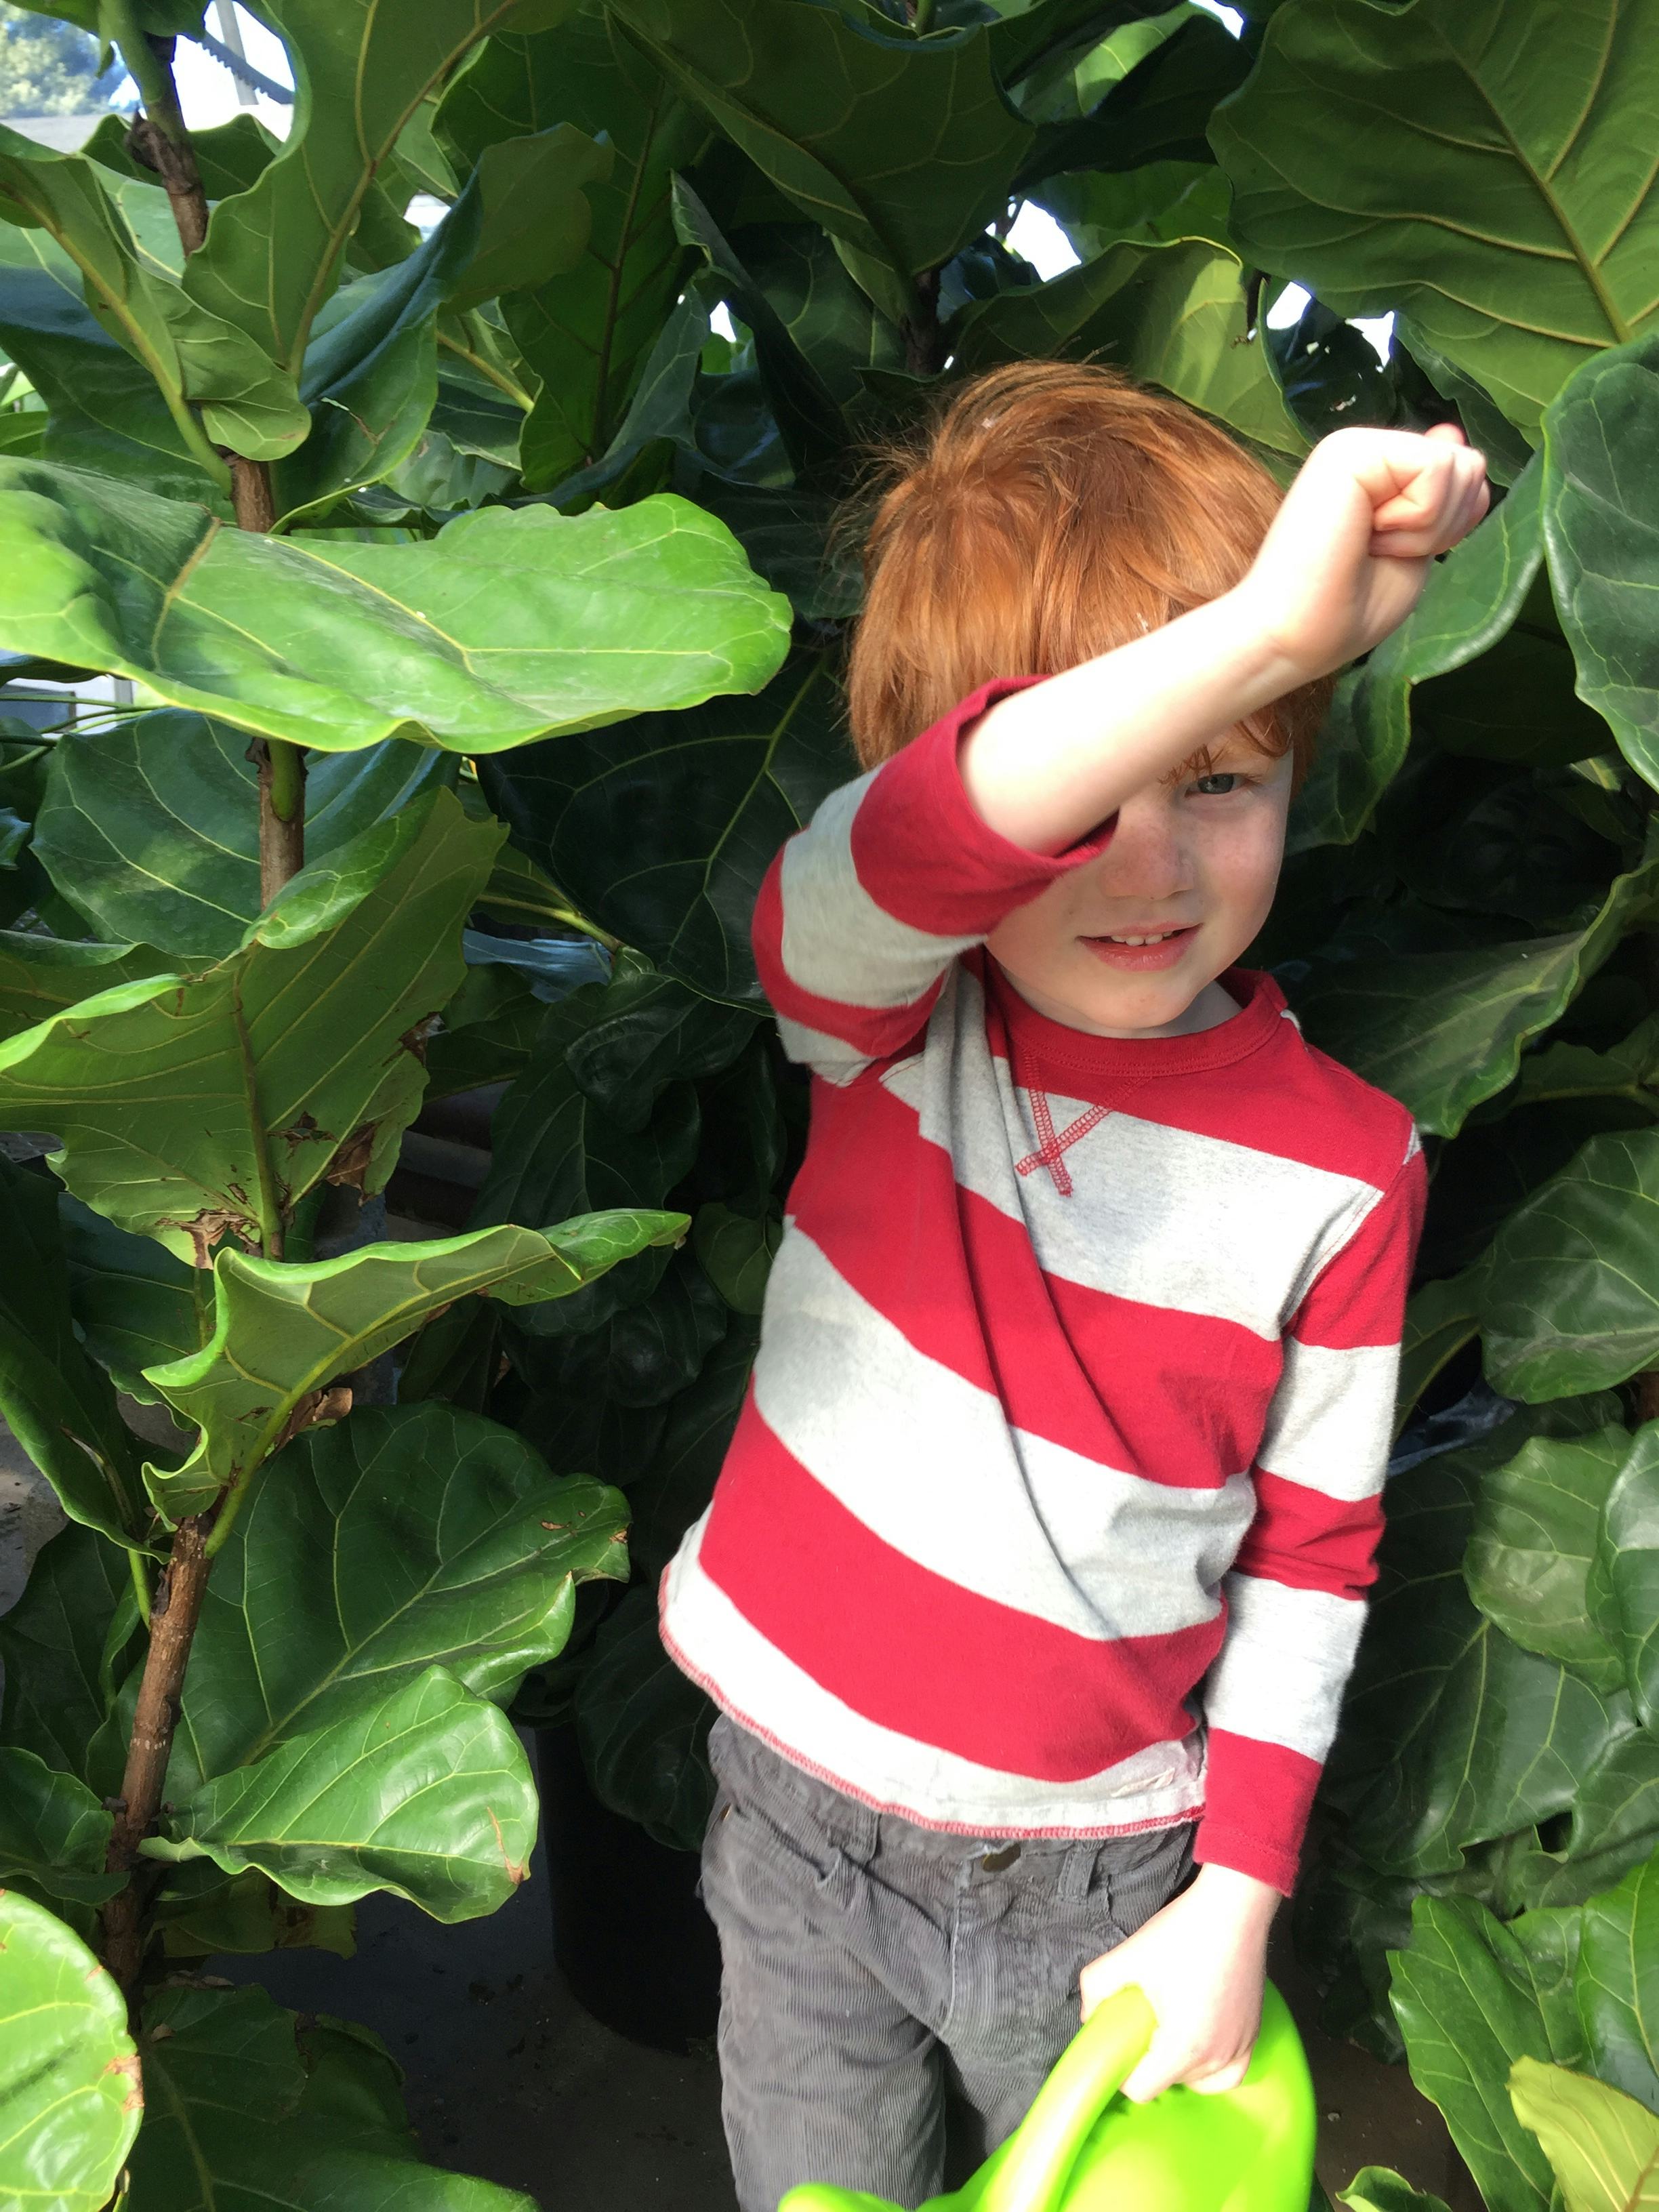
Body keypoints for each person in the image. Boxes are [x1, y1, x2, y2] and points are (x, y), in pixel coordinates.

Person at [659, 361, 1489, 2211]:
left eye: (1220, 780)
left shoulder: (1347, 1168)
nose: (1146, 856)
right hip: (792, 1819)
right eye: (1097, 777)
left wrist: (1241, 1900)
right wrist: (1265, 630)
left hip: (1103, 1875)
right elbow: (890, 848)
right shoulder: (882, 1018)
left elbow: (1313, 1557)